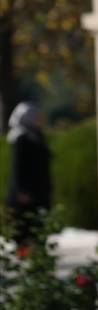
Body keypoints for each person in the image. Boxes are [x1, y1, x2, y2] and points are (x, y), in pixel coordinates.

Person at [4, 102, 51, 246]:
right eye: (37, 117)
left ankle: (38, 256)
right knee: (25, 226)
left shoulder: (37, 136)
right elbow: (18, 167)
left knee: (40, 225)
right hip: (26, 193)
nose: (40, 120)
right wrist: (21, 191)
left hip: (39, 190)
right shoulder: (20, 138)